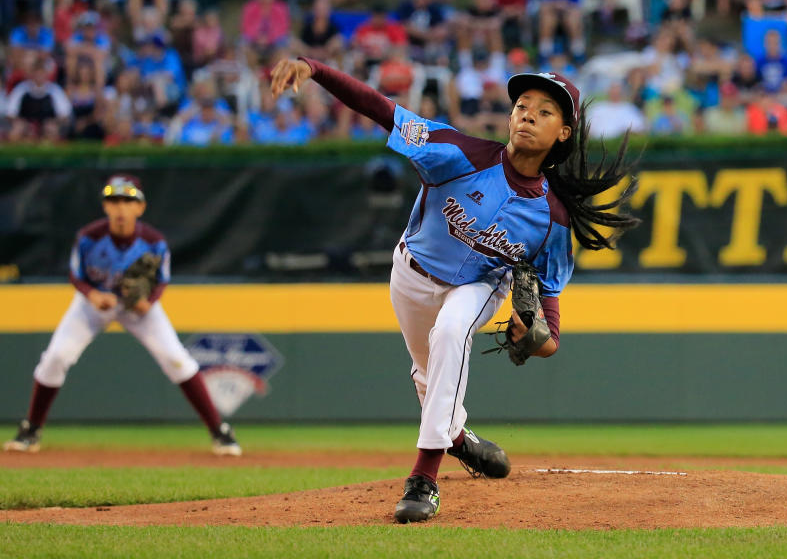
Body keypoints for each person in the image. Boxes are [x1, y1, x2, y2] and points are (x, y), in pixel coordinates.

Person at [269, 57, 637, 524]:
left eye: (546, 112)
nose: (528, 114)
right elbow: (384, 110)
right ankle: (461, 441)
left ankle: (423, 479)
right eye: (523, 105)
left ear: (565, 133)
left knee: (450, 335)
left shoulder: (553, 218)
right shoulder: (457, 153)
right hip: (410, 275)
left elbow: (551, 329)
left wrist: (536, 337)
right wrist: (315, 69)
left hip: (481, 286)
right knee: (430, 378)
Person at [3, 175, 241, 456]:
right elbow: (76, 275)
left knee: (176, 359)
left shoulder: (154, 242)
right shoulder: (89, 237)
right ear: (105, 206)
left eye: (128, 201)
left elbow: (162, 280)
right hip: (92, 305)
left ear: (140, 208)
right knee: (56, 356)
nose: (120, 208)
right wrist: (92, 295)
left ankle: (219, 431)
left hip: (137, 309)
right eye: (113, 200)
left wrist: (148, 302)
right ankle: (31, 429)